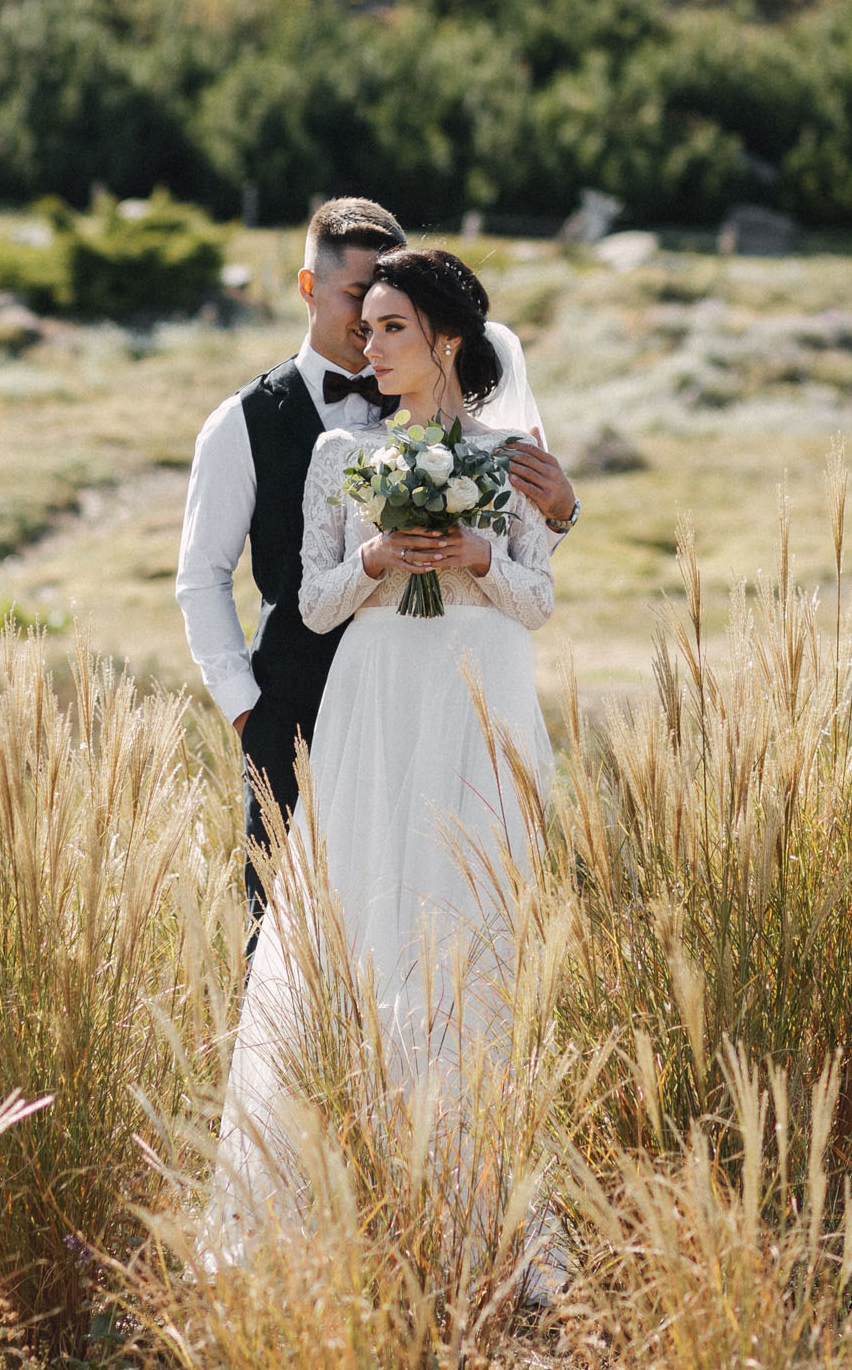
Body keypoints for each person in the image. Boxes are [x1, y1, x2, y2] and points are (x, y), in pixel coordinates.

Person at [205, 246, 559, 1252]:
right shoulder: (338, 456)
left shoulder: (514, 456)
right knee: (359, 911)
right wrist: (373, 557)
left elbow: (538, 599)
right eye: (368, 328)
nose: (373, 343)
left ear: (449, 337)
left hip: (475, 691)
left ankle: (468, 1199)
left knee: (462, 911)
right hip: (372, 691)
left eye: (393, 327)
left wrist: (477, 554)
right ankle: (331, 1188)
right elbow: (311, 602)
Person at [174, 199, 579, 935]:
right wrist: (245, 709)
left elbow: (520, 563)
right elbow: (202, 576)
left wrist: (560, 514)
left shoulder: (485, 432)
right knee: (294, 934)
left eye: (390, 308)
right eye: (359, 298)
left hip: (441, 704)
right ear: (309, 287)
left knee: (448, 915)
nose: (369, 330)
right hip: (294, 711)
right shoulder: (245, 421)